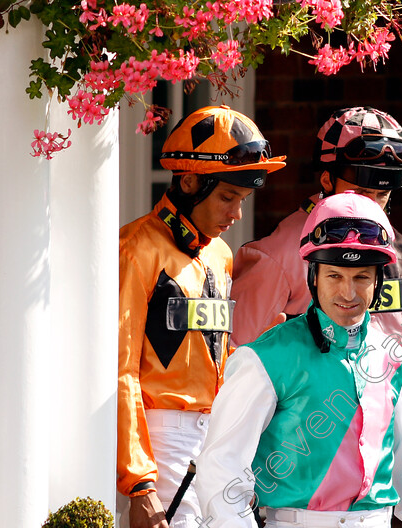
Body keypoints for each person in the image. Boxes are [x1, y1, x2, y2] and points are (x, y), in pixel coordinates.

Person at [229, 106, 402, 525]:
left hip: (389, 441)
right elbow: (235, 371)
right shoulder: (276, 256)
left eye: (382, 196)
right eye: (361, 193)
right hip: (302, 463)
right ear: (325, 179)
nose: (372, 209)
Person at [196, 191, 402, 528]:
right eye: (335, 276)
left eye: (361, 277)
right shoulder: (266, 356)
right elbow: (220, 467)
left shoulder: (392, 356)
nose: (348, 293)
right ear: (313, 277)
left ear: (378, 281)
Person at [118, 106, 286, 528]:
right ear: (190, 182)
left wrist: (262, 356)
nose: (237, 214)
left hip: (217, 434)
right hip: (162, 440)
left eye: (242, 199)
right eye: (228, 197)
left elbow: (212, 357)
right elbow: (119, 368)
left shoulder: (221, 255)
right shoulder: (137, 247)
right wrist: (139, 482)